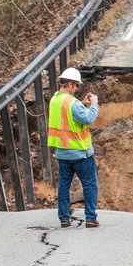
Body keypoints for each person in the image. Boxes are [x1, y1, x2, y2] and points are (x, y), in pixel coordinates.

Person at [47, 67, 100, 228]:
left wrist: (83, 103)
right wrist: (94, 105)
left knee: (64, 185)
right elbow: (87, 118)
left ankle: (64, 218)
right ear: (70, 84)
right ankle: (90, 218)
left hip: (62, 152)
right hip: (80, 152)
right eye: (76, 85)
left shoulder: (55, 100)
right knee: (90, 184)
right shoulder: (72, 103)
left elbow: (70, 116)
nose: (76, 88)